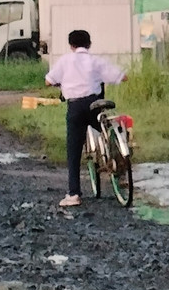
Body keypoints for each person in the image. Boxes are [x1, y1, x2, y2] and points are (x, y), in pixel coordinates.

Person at [44, 29, 126, 208]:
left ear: (71, 45)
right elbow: (122, 77)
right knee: (107, 128)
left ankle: (74, 194)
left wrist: (62, 82)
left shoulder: (65, 61)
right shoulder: (95, 61)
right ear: (89, 44)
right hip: (94, 105)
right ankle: (120, 163)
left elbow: (48, 81)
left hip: (75, 107)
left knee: (73, 150)